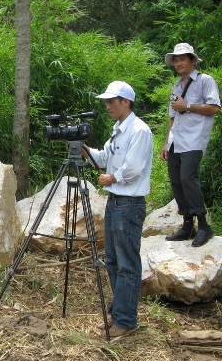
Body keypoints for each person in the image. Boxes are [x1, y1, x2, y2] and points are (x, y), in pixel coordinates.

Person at [81, 81, 153, 338]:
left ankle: (125, 320)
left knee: (127, 264)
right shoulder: (119, 130)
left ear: (126, 102)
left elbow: (133, 168)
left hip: (129, 204)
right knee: (112, 261)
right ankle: (118, 313)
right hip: (115, 202)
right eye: (107, 101)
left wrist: (112, 178)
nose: (108, 105)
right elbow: (103, 159)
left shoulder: (139, 131)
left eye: (112, 101)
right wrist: (83, 148)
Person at [161, 43, 220, 247]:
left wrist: (188, 106)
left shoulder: (205, 81)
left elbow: (214, 107)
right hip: (176, 140)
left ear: (193, 61)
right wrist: (165, 143)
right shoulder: (176, 86)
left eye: (182, 59)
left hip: (194, 139)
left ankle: (204, 226)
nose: (178, 63)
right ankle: (187, 226)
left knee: (188, 177)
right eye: (176, 60)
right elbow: (172, 117)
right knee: (176, 180)